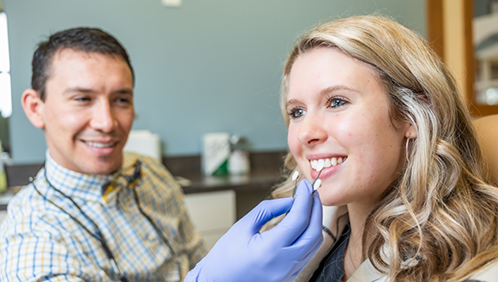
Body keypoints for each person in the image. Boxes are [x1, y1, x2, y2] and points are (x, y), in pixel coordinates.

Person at [0, 27, 323, 281]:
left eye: (121, 99)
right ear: (35, 108)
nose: (106, 122)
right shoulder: (33, 236)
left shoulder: (148, 172)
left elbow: (193, 256)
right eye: (82, 99)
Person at [269, 15, 498, 281]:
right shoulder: (307, 238)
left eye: (336, 102)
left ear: (412, 115)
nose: (306, 133)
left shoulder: (474, 269)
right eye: (297, 111)